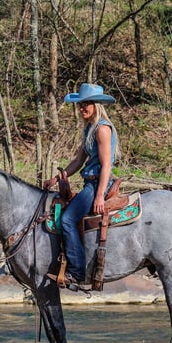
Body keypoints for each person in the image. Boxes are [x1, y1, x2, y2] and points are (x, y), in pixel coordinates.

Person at [44, 83, 120, 288]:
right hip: (91, 182)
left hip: (97, 184)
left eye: (86, 104)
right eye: (80, 104)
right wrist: (58, 177)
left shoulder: (102, 129)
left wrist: (99, 195)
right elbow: (78, 161)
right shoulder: (90, 128)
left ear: (96, 105)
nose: (81, 108)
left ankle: (76, 271)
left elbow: (106, 165)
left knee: (68, 220)